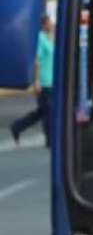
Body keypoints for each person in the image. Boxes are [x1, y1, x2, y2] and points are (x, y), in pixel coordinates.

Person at [10, 14, 54, 146]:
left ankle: (17, 127)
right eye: (50, 22)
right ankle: (50, 140)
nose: (52, 24)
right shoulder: (40, 39)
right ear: (44, 24)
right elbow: (37, 61)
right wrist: (37, 81)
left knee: (42, 111)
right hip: (44, 82)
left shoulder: (48, 38)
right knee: (48, 112)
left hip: (51, 81)